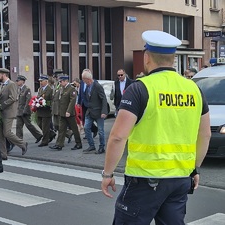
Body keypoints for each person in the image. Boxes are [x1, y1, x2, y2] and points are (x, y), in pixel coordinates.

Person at [101, 30, 211, 225]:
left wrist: (108, 174)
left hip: (144, 179)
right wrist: (195, 169)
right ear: (173, 59)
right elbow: (205, 135)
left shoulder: (139, 88)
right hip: (179, 179)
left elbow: (118, 137)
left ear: (147, 57)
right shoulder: (194, 89)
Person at [0, 68, 28, 159]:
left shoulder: (11, 84)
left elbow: (13, 98)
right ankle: (3, 154)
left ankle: (22, 144)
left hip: (8, 112)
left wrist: (1, 105)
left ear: (4, 75)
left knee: (7, 133)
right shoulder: (2, 85)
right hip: (1, 113)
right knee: (0, 135)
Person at [49, 75, 82, 151]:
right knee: (61, 129)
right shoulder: (62, 89)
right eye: (60, 81)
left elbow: (72, 101)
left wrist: (68, 111)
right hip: (62, 112)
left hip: (69, 113)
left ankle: (78, 143)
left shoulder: (71, 89)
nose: (60, 83)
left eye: (61, 81)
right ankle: (59, 144)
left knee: (74, 129)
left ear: (66, 81)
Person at [81, 69, 108, 154]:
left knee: (100, 131)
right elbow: (86, 97)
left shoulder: (97, 86)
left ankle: (101, 147)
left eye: (84, 80)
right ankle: (91, 145)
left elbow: (103, 98)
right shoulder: (87, 86)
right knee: (86, 127)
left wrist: (104, 111)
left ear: (88, 79)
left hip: (99, 112)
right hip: (90, 111)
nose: (84, 82)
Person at [15, 75, 43, 143]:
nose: (17, 82)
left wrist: (25, 110)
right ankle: (19, 140)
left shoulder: (27, 89)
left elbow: (28, 101)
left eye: (18, 81)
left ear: (22, 81)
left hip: (25, 111)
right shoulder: (19, 89)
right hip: (19, 111)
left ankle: (38, 135)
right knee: (18, 126)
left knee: (29, 125)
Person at [36, 74, 56, 147]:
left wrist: (45, 103)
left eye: (42, 81)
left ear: (46, 81)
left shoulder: (50, 90)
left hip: (46, 110)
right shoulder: (40, 89)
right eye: (40, 81)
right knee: (39, 124)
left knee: (45, 127)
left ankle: (45, 141)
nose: (40, 82)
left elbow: (52, 100)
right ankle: (51, 133)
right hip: (40, 110)